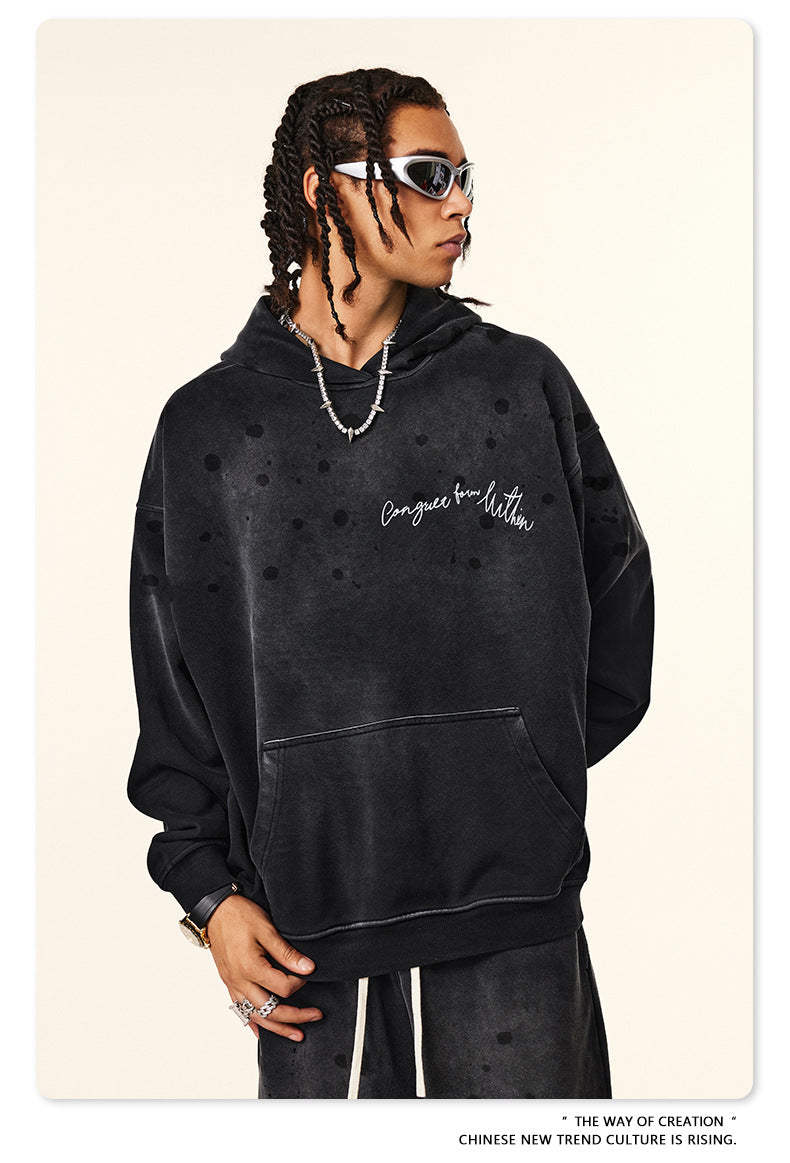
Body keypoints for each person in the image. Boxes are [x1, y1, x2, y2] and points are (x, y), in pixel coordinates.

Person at [127, 66, 655, 1100]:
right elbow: (174, 683)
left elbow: (620, 610)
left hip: (516, 920)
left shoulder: (519, 386)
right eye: (426, 174)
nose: (460, 204)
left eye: (463, 175)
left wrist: (505, 776)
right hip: (307, 943)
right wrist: (209, 896)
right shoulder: (210, 430)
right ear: (324, 188)